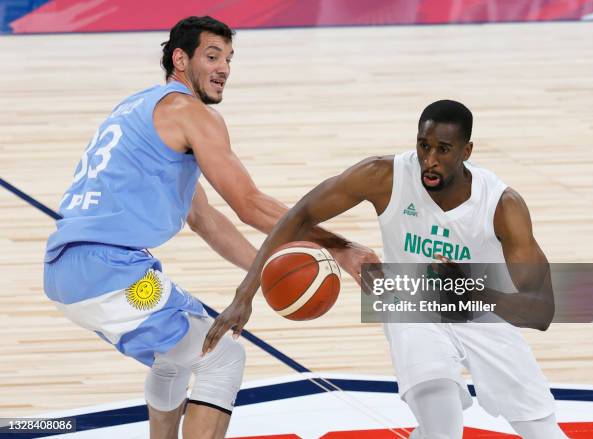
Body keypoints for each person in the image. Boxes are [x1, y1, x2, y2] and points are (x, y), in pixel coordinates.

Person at [43, 15, 377, 439]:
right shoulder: (190, 112)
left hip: (70, 273)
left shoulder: (140, 108)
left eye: (229, 59)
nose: (224, 68)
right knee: (222, 357)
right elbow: (249, 204)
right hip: (113, 274)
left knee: (175, 358)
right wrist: (340, 248)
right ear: (180, 59)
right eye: (212, 56)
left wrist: (260, 270)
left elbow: (204, 219)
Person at [207, 100, 569, 438]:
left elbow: (542, 311)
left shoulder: (502, 205)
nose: (429, 160)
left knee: (542, 431)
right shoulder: (384, 176)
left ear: (466, 152)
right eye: (423, 146)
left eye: (443, 150)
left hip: (483, 314)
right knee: (442, 424)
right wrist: (245, 294)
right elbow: (298, 216)